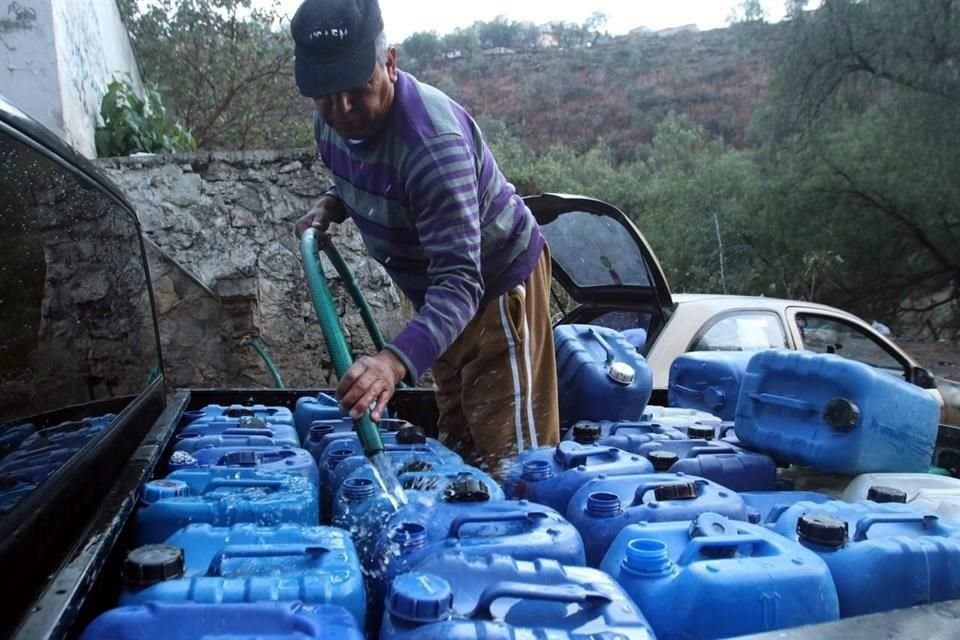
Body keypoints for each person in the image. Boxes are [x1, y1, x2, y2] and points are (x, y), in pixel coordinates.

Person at [290, 0, 559, 471]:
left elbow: (461, 282)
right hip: (440, 295)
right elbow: (363, 167)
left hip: (492, 289)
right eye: (326, 96)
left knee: (508, 457)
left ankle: (526, 539)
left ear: (389, 63)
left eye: (357, 88)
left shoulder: (432, 145)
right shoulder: (331, 121)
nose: (343, 108)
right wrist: (336, 202)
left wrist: (391, 364)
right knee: (458, 442)